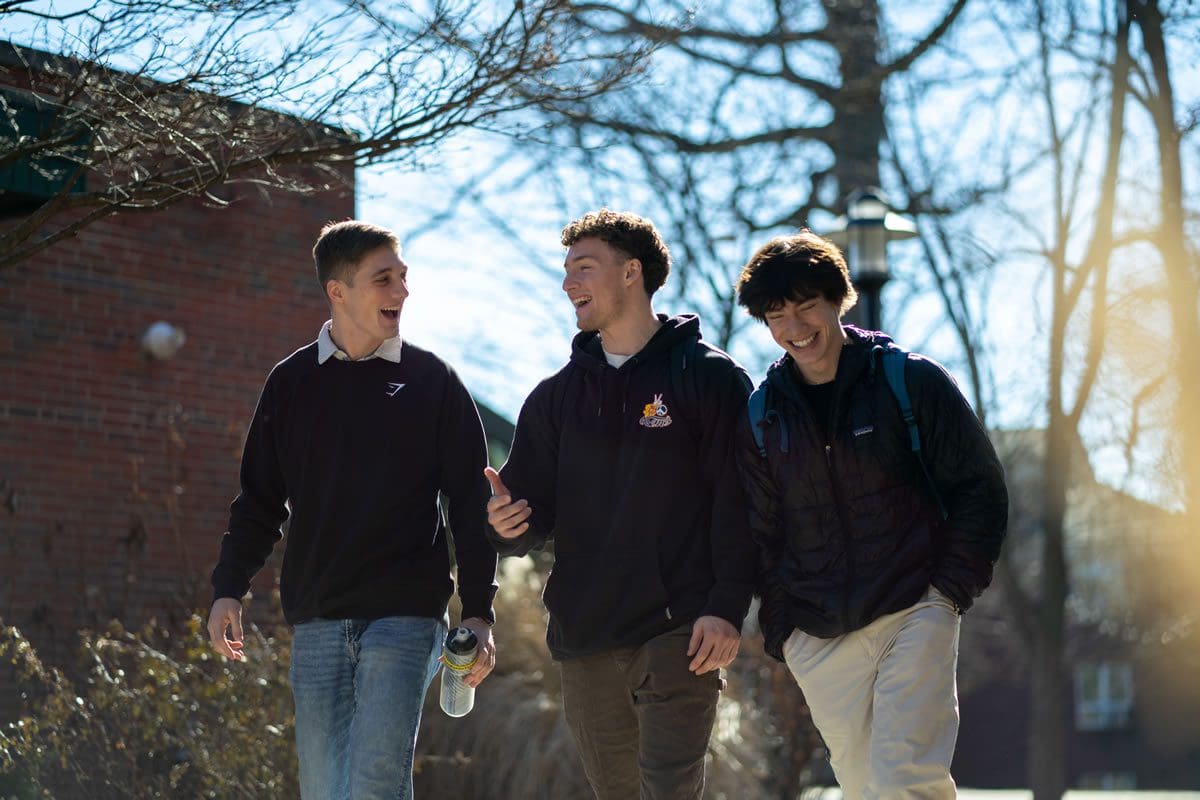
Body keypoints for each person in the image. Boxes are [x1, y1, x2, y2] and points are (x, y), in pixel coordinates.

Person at [207, 220, 498, 800]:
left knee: (372, 784)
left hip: (406, 615)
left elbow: (471, 504)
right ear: (337, 291)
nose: (402, 291)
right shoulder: (289, 385)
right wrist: (227, 588)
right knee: (323, 789)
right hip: (317, 617)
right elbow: (260, 501)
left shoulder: (433, 382)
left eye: (404, 277)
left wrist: (480, 610)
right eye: (383, 279)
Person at [484, 209, 756, 800]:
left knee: (667, 790)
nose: (567, 284)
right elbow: (528, 513)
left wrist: (727, 607)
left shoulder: (710, 379)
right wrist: (506, 525)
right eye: (565, 270)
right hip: (586, 636)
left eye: (584, 267)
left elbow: (740, 505)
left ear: (632, 273)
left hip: (680, 630)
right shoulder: (555, 398)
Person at [733, 230, 1009, 799]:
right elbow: (761, 533)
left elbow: (980, 489)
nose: (794, 326)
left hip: (913, 608)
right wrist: (785, 630)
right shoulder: (762, 417)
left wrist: (946, 594)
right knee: (862, 787)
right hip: (819, 634)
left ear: (839, 299)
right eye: (776, 314)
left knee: (904, 779)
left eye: (807, 305)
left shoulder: (911, 382)